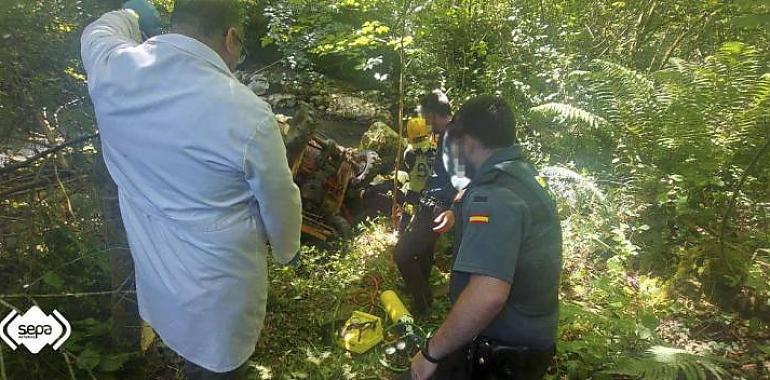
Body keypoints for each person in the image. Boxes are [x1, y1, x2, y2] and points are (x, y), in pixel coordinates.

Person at [80, 1, 302, 379]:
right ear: (231, 38)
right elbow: (279, 199)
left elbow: (96, 31)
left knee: (187, 351)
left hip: (158, 274)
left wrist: (133, 16)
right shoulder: (246, 112)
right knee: (217, 365)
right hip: (218, 289)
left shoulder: (114, 68)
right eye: (241, 49)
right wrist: (287, 250)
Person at [408, 95, 563, 380]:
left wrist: (431, 353)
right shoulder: (520, 175)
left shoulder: (493, 195)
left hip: (503, 350)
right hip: (529, 339)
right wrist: (457, 210)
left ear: (466, 143)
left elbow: (488, 296)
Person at [393, 90, 457, 315]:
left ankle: (421, 304)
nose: (425, 123)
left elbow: (457, 176)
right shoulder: (451, 133)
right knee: (425, 249)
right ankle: (423, 292)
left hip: (436, 204)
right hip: (436, 202)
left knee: (402, 253)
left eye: (426, 117)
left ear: (432, 114)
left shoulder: (451, 137)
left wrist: (448, 205)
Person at [400, 117, 434, 231]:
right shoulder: (433, 148)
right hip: (429, 189)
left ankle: (400, 230)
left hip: (414, 188)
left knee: (408, 209)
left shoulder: (408, 152)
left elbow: (407, 167)